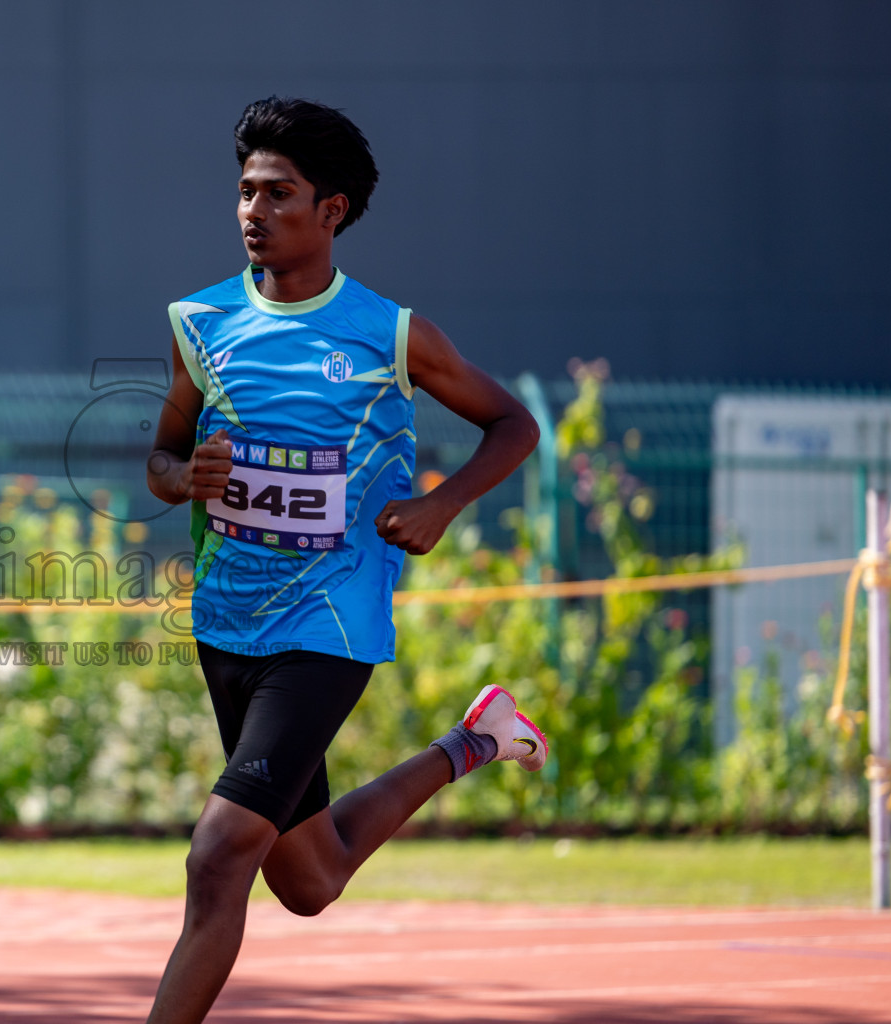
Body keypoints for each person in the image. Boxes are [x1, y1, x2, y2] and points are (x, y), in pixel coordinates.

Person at [142, 96, 548, 1024]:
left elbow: (513, 423)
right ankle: (480, 739)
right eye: (245, 191)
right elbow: (160, 462)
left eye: (278, 193)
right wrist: (183, 476)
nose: (253, 210)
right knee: (310, 879)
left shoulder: (389, 333)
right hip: (227, 622)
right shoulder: (199, 323)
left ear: (331, 210)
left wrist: (444, 504)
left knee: (217, 856)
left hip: (328, 623)